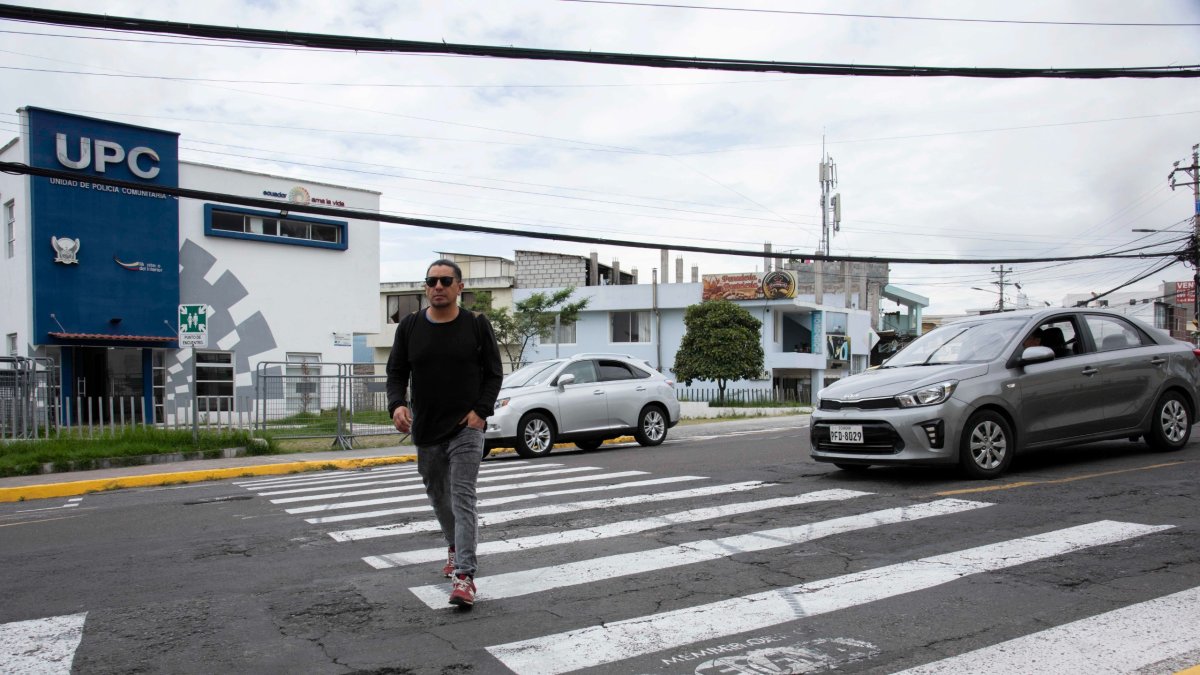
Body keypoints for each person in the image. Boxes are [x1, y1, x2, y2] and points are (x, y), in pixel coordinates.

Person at [386, 259, 504, 608]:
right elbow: (396, 373)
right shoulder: (409, 327)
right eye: (431, 281)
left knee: (463, 497)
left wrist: (479, 413)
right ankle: (454, 546)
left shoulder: (476, 325)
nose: (438, 286)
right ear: (426, 287)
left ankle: (465, 576)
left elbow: (494, 374)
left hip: (465, 428)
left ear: (459, 287)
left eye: (445, 281)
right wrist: (396, 405)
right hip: (426, 428)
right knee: (439, 497)